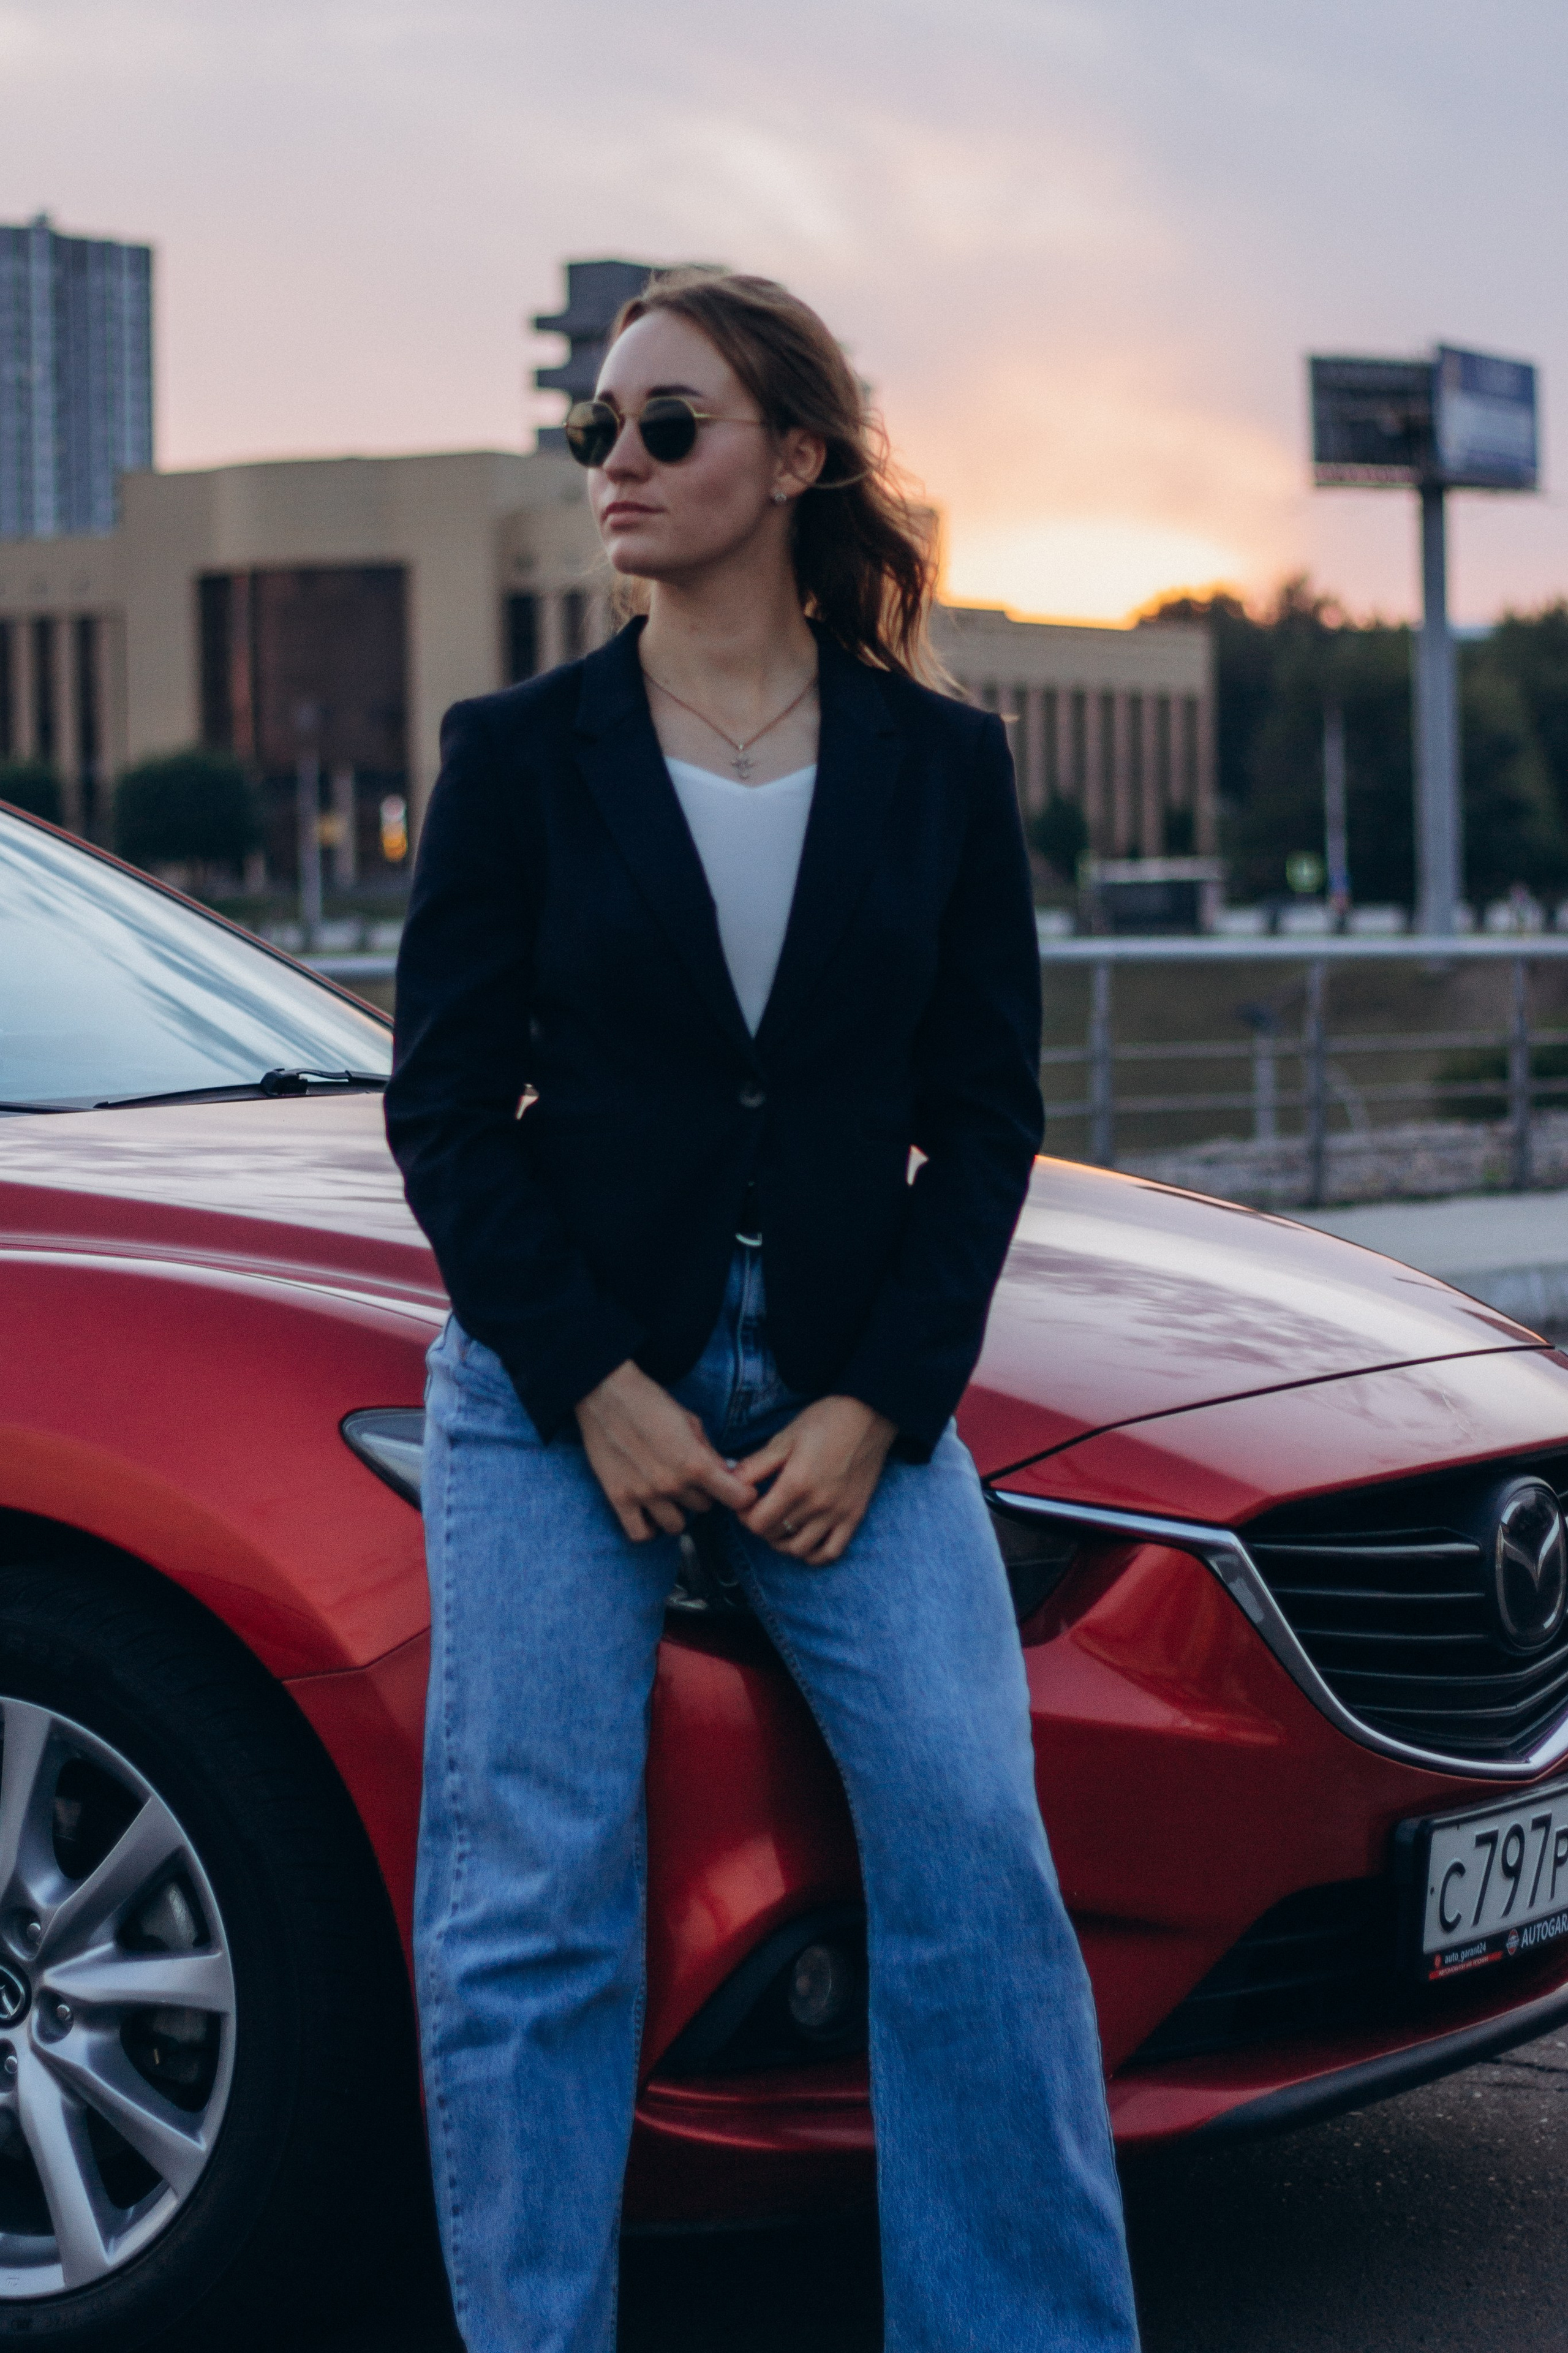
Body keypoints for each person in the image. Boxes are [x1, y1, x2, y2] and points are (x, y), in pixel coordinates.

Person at [386, 267, 1140, 2353]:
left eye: (666, 424)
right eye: (596, 431)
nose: (614, 461)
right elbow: (443, 1107)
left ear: (796, 458)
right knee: (530, 1903)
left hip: (843, 1386)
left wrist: (885, 1402)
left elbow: (986, 1124)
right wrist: (585, 1380)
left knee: (980, 1857)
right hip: (562, 1388)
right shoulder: (519, 754)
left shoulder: (939, 769)